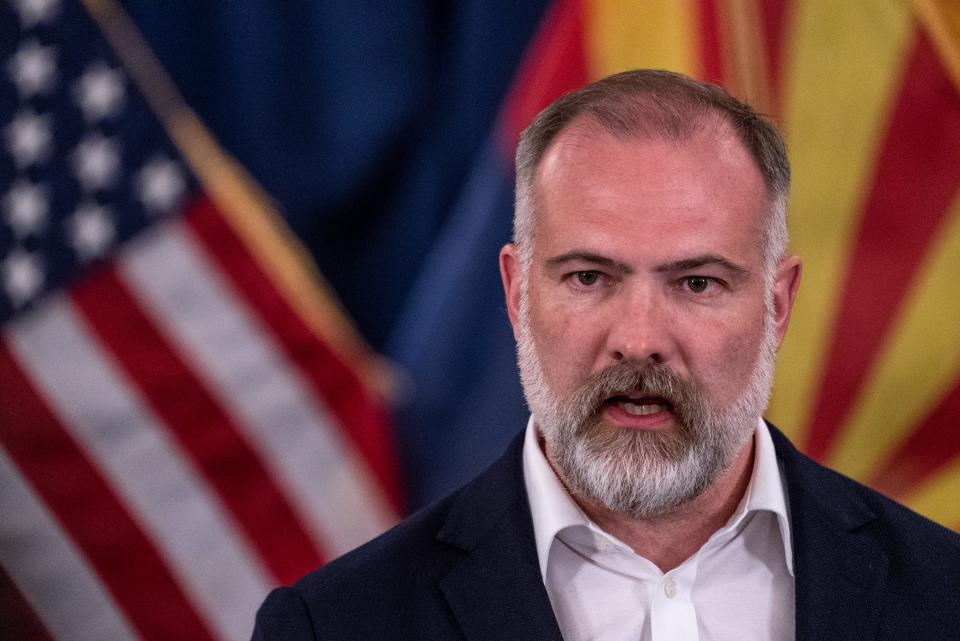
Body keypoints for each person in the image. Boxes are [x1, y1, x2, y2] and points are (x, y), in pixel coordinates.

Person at [251, 70, 960, 641]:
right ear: (516, 291)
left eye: (697, 282)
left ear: (777, 305)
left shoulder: (944, 596)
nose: (639, 336)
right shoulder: (336, 625)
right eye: (589, 277)